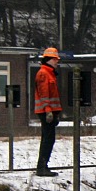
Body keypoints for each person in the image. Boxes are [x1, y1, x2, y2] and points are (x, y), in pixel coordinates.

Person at [34, 47, 63, 177]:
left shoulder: (49, 73)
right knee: (48, 139)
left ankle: (43, 166)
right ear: (49, 59)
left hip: (50, 111)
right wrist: (48, 111)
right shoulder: (44, 74)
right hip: (47, 112)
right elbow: (44, 94)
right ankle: (42, 167)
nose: (57, 62)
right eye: (55, 59)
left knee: (48, 138)